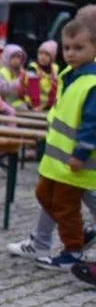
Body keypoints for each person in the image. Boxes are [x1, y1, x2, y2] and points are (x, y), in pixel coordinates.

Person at [31, 17, 96, 270]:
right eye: (67, 47)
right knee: (43, 195)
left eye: (79, 48)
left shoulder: (91, 82)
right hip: (57, 161)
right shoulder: (70, 75)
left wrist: (81, 153)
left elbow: (92, 123)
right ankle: (78, 236)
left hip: (75, 163)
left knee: (65, 206)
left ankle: (72, 251)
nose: (71, 53)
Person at [22, 39, 64, 111]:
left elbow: (57, 88)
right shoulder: (32, 68)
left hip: (47, 105)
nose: (43, 57)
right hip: (32, 105)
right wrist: (36, 105)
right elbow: (33, 88)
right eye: (40, 53)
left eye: (47, 54)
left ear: (52, 57)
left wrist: (52, 104)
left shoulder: (55, 68)